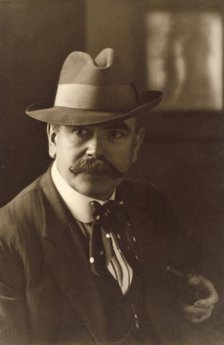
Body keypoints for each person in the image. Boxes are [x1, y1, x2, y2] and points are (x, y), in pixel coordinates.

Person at [0, 48, 220, 345]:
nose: (96, 149)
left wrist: (198, 289)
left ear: (136, 144)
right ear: (53, 138)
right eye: (80, 132)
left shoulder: (149, 202)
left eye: (115, 134)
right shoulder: (8, 236)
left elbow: (188, 267)